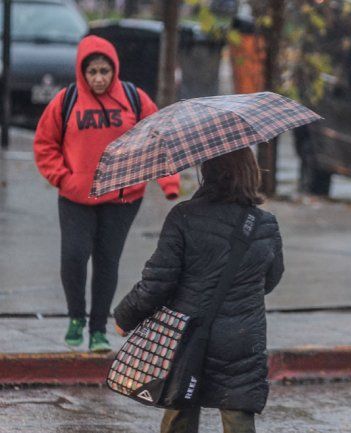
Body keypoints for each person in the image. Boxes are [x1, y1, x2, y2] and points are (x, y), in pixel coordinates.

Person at [113, 147, 284, 433]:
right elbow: (271, 278)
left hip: (187, 333)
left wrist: (124, 317)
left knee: (179, 408)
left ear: (208, 172)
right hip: (242, 337)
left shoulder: (184, 216)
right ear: (250, 174)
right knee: (237, 412)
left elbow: (158, 283)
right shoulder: (265, 224)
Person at [33, 35, 180, 352]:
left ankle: (98, 330)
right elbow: (45, 144)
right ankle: (76, 318)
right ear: (82, 73)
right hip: (76, 197)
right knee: (74, 257)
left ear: (114, 70)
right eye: (92, 72)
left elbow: (159, 141)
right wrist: (63, 178)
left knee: (106, 262)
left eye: (104, 71)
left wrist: (169, 184)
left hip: (122, 199)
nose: (98, 78)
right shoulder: (66, 101)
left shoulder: (133, 98)